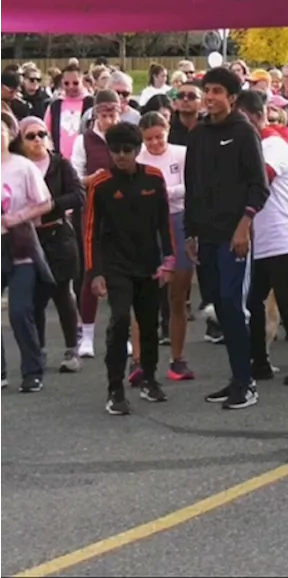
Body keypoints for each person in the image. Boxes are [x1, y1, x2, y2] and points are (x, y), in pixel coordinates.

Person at [185, 66, 270, 410]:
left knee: (234, 307)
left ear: (232, 98)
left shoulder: (244, 132)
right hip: (205, 235)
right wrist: (190, 232)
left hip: (233, 236)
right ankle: (236, 378)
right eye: (207, 90)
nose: (209, 97)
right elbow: (193, 186)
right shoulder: (199, 134)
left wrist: (243, 226)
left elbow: (258, 187)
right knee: (219, 306)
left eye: (217, 91)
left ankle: (247, 382)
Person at [86, 122, 174, 415]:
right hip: (116, 266)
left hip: (148, 264)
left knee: (149, 324)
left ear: (138, 151)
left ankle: (149, 378)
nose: (121, 156)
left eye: (127, 150)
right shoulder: (101, 184)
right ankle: (115, 389)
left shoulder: (153, 177)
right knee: (121, 319)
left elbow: (165, 221)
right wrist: (94, 272)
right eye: (116, 150)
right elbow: (90, 232)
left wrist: (169, 259)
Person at [238, 90, 288, 385]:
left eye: (243, 118)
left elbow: (260, 182)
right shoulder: (262, 143)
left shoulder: (273, 144)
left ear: (258, 116)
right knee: (255, 300)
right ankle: (260, 361)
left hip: (283, 235)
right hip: (265, 238)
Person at [14, 117, 84, 375]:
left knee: (62, 292)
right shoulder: (16, 167)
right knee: (35, 298)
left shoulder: (60, 164)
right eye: (30, 136)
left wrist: (50, 204)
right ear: (20, 141)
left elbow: (78, 195)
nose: (37, 140)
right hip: (28, 237)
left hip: (58, 234)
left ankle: (71, 350)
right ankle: (38, 349)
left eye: (41, 134)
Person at [136, 112, 196, 381]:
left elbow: (192, 185)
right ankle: (138, 361)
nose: (154, 143)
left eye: (159, 137)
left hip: (180, 220)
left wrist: (165, 192)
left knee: (178, 297)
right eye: (148, 139)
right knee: (143, 296)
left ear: (167, 131)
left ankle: (177, 359)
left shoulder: (182, 154)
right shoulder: (138, 159)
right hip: (149, 225)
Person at [0, 115, 53, 393]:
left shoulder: (22, 167)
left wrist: (18, 216)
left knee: (20, 311)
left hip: (19, 244)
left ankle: (32, 370)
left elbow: (45, 203)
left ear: (10, 134)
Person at [69, 89, 122, 359]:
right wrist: (94, 178)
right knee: (90, 272)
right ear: (95, 114)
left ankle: (120, 332)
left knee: (122, 275)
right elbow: (75, 178)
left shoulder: (126, 138)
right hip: (92, 213)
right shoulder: (84, 141)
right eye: (104, 113)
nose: (109, 118)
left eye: (113, 112)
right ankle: (86, 335)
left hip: (123, 213)